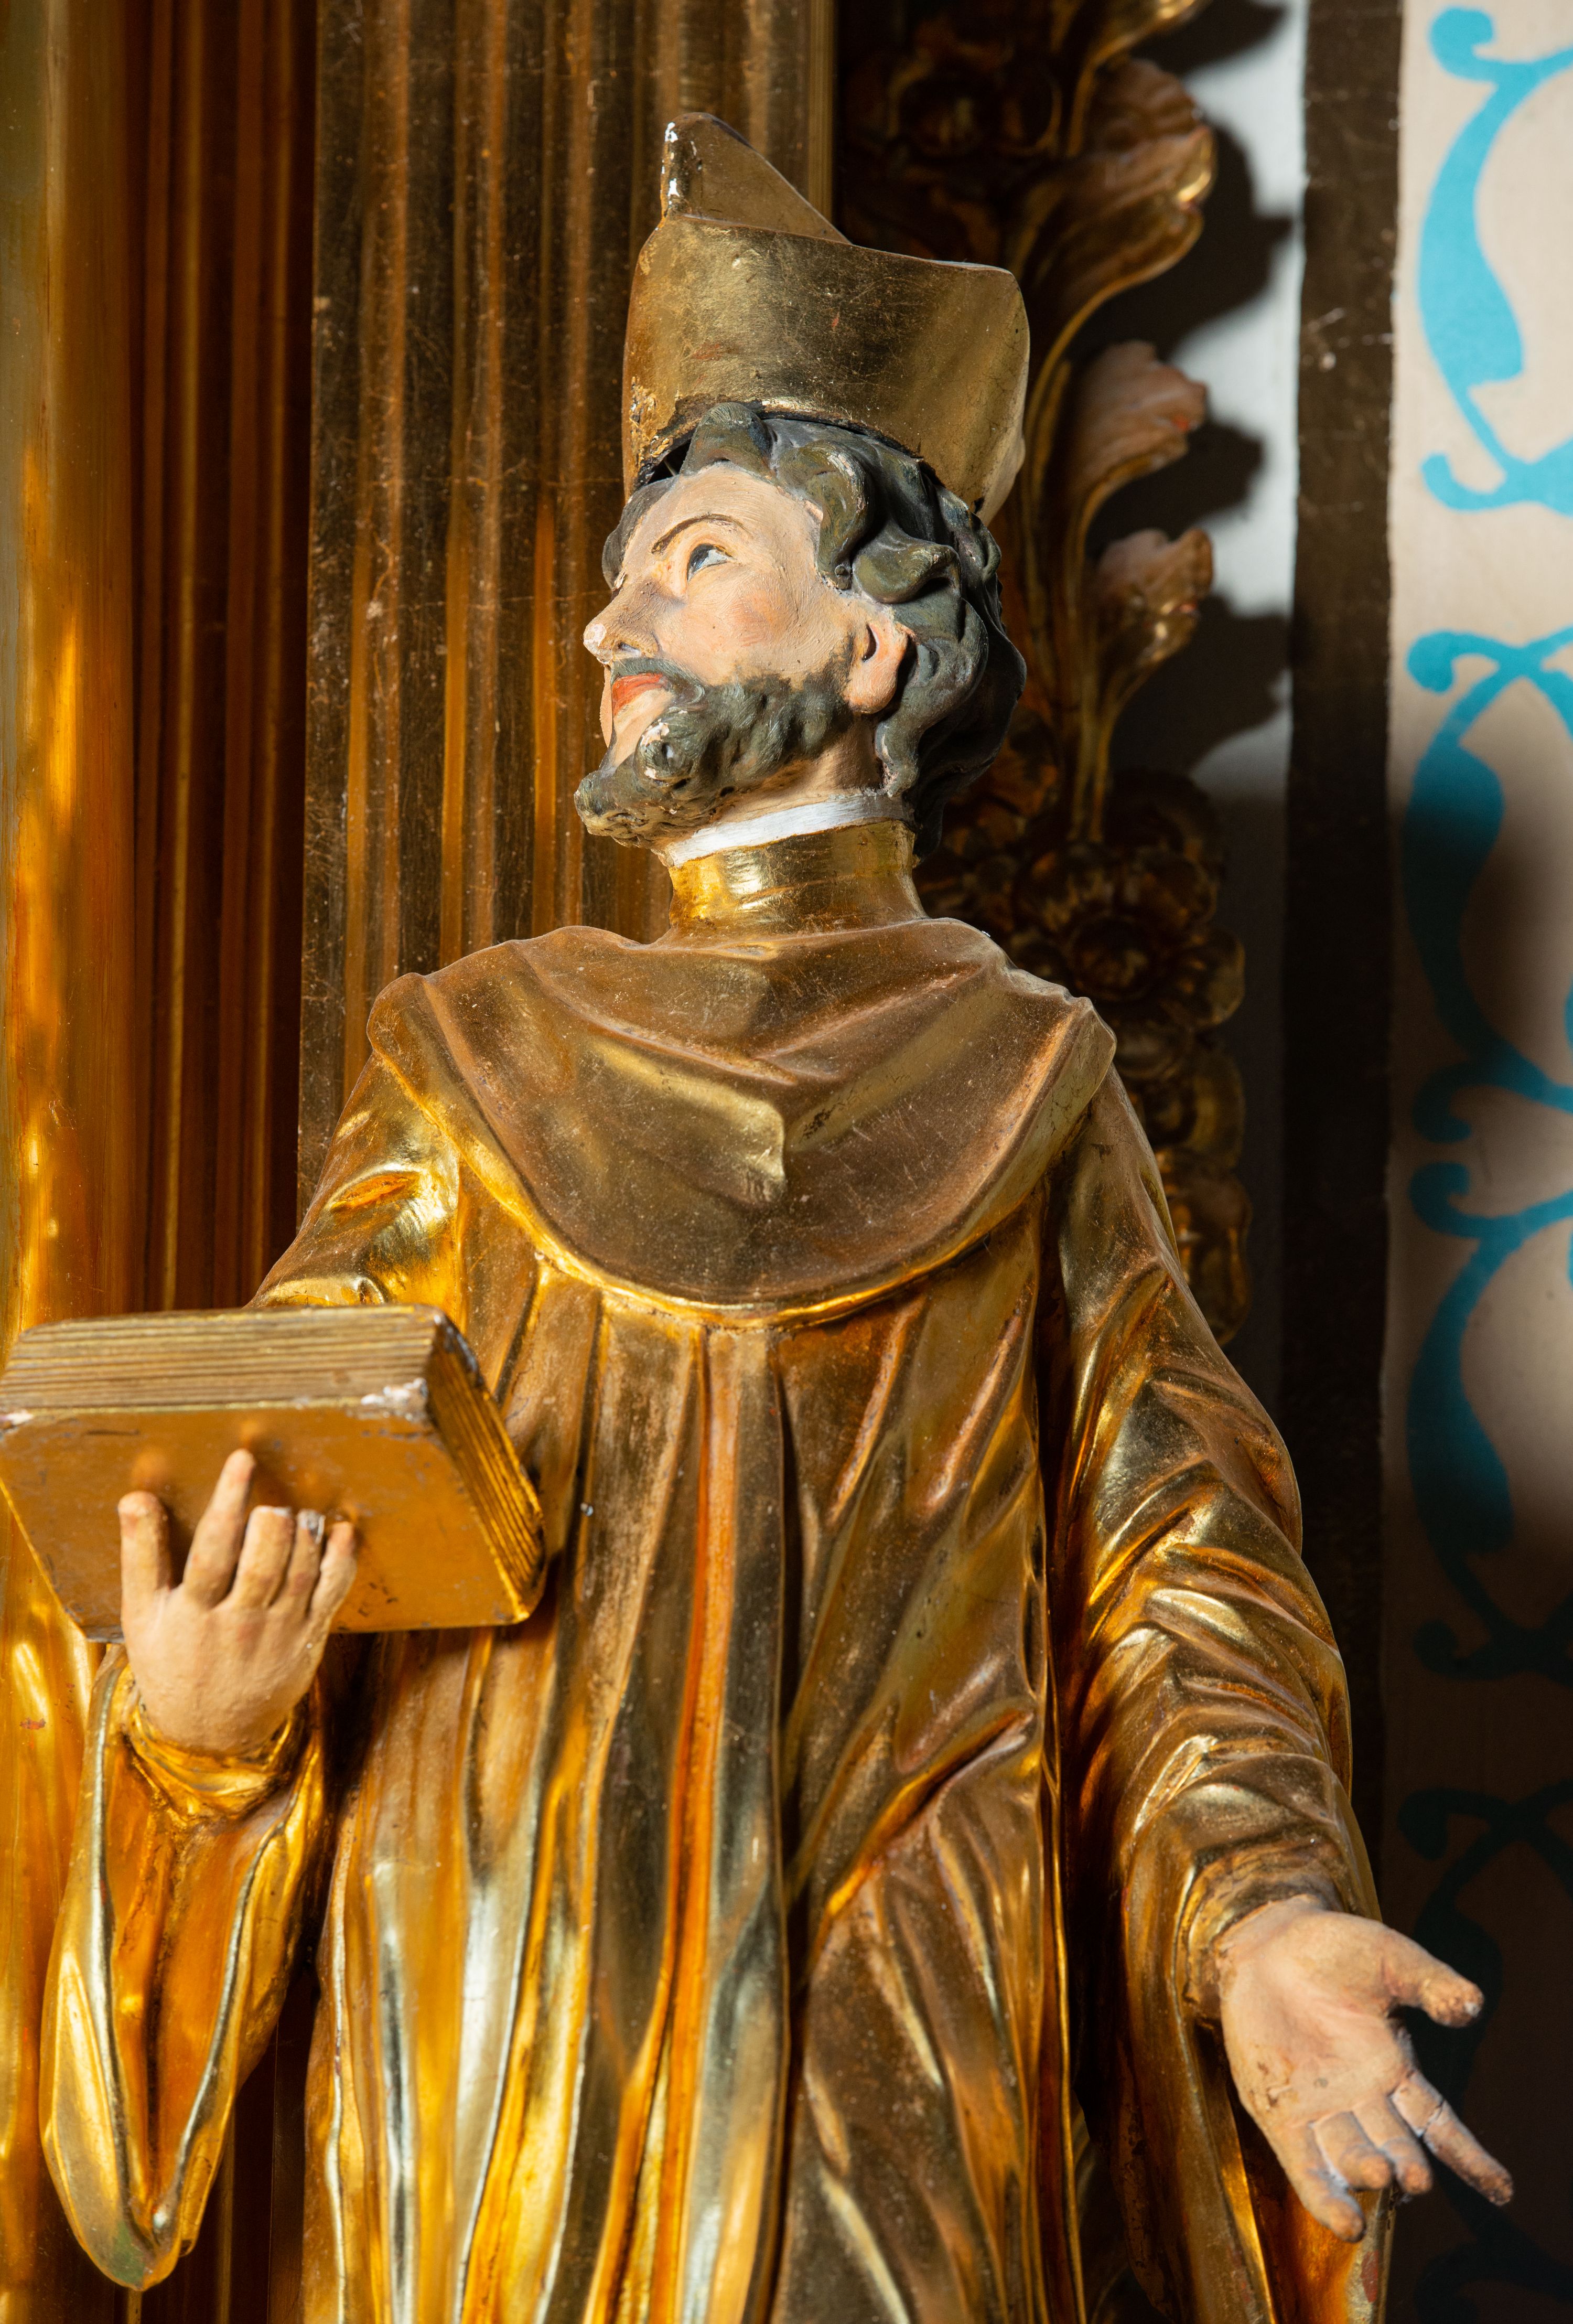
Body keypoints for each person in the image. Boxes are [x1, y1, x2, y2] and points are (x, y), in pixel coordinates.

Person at [41, 119, 1510, 2324]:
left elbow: (1178, 1575)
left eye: (698, 556)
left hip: (888, 2021)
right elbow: (286, 1482)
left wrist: (1260, 1914)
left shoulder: (1028, 1084)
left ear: (876, 645)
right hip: (511, 2032)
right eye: (623, 570)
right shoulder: (471, 1060)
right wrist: (202, 1730)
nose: (610, 620)